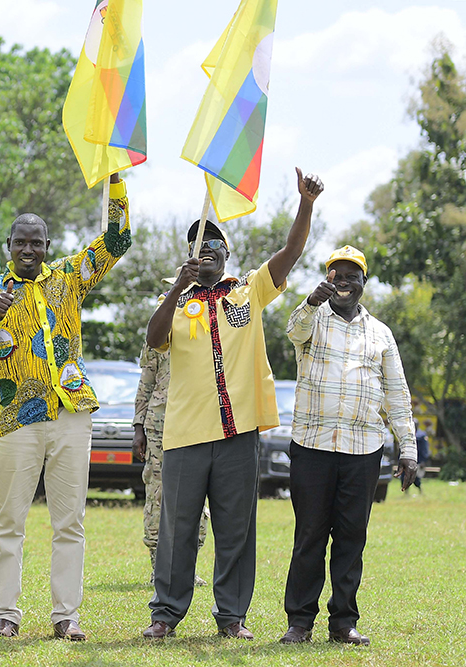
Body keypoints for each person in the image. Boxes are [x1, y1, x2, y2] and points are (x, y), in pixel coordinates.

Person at [141, 168, 324, 640]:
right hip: (185, 435)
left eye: (212, 249)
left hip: (238, 433)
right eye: (196, 250)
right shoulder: (175, 302)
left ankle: (231, 617)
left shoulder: (249, 291)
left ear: (226, 254)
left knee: (236, 532)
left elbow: (290, 254)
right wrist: (176, 291)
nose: (203, 256)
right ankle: (165, 613)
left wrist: (305, 203)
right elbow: (154, 338)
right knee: (176, 530)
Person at [0, 173, 131, 642]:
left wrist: (115, 181)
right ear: (8, 246)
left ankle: (66, 616)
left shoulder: (67, 279)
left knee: (70, 520)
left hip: (71, 414)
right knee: (9, 521)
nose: (29, 249)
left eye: (36, 242)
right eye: (21, 242)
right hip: (19, 418)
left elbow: (117, 240)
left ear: (46, 245)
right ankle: (6, 613)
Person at [279, 245, 417, 646]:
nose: (343, 282)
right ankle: (299, 623)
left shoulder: (381, 334)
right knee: (309, 536)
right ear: (327, 279)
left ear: (363, 283)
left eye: (351, 276)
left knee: (352, 537)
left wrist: (407, 448)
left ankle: (343, 623)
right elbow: (293, 331)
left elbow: (397, 395)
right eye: (336, 275)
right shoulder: (311, 318)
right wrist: (310, 301)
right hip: (312, 446)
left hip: (363, 450)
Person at [132, 342, 208, 586]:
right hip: (160, 424)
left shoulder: (211, 314)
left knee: (197, 495)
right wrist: (138, 427)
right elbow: (147, 379)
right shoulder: (161, 318)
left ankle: (188, 568)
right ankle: (158, 567)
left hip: (200, 421)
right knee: (158, 494)